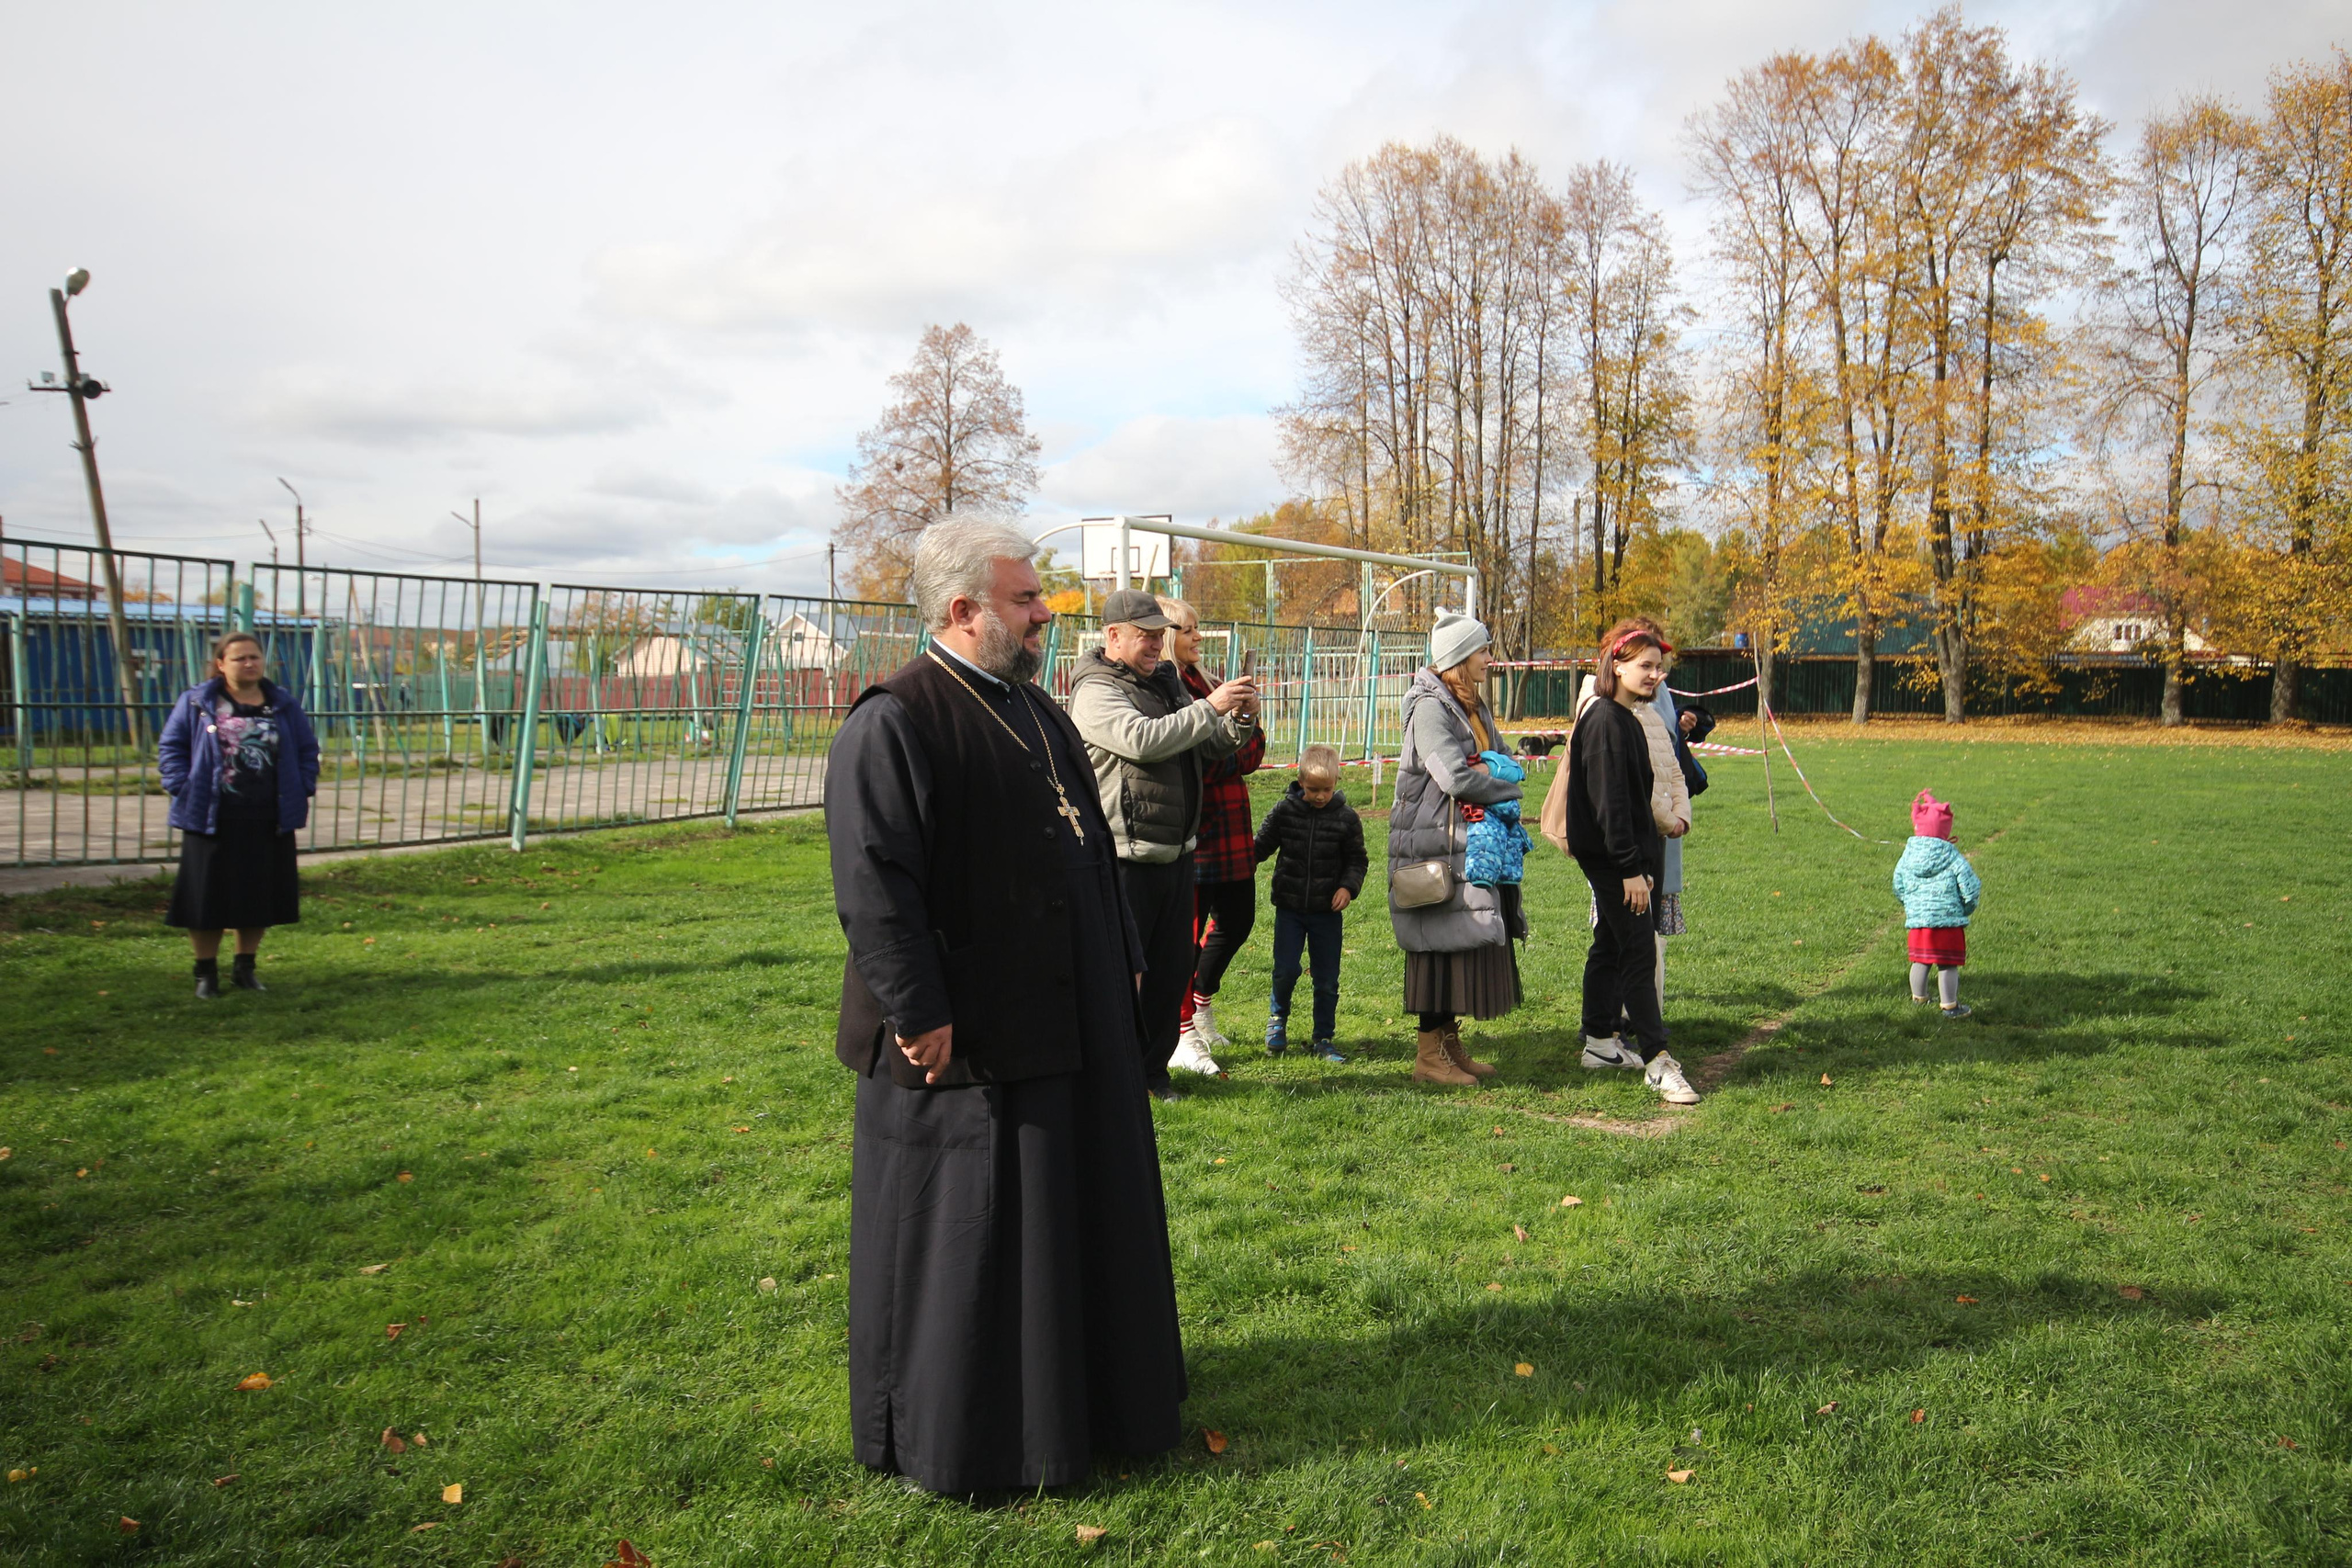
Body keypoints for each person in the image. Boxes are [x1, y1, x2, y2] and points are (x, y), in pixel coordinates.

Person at [822, 518, 1187, 1494]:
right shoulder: (895, 720)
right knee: (977, 1238)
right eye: (1026, 601)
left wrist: (1122, 960)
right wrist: (916, 1009)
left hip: (1073, 1019)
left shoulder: (1036, 710)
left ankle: (1082, 1404)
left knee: (1070, 1221)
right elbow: (874, 883)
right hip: (969, 1035)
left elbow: (1084, 848)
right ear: (962, 610)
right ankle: (975, 1433)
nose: (1043, 615)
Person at [1070, 589, 1257, 1098]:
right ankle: (1111, 1080)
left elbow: (1206, 745)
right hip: (1124, 857)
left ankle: (1152, 1075)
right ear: (1112, 635)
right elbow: (1143, 740)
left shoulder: (1169, 681)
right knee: (1119, 979)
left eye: (1160, 635)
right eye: (1145, 635)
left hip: (1178, 853)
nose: (1157, 644)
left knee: (1170, 972)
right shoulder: (1095, 689)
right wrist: (1210, 707)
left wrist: (1237, 718)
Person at [1562, 621, 1699, 1106]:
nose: (1654, 675)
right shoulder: (1603, 719)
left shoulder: (1630, 716)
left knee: (1612, 944)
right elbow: (1611, 806)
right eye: (1644, 666)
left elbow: (1637, 800)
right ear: (1616, 666)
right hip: (1618, 861)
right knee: (1640, 951)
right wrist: (1628, 869)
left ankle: (1600, 1043)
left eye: (1659, 668)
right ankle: (1659, 1060)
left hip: (1632, 857)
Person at [1387, 609, 1521, 1088]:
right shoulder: (1428, 707)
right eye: (1483, 650)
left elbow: (1502, 760)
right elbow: (1454, 776)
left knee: (1453, 941)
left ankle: (1448, 1045)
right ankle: (1428, 1056)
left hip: (1462, 842)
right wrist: (1499, 781)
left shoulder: (1473, 705)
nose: (1490, 658)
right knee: (1434, 946)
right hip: (1432, 844)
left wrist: (1496, 771)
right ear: (1460, 659)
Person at [157, 631, 321, 999]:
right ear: (220, 664)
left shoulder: (282, 704)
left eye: (254, 657)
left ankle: (245, 968)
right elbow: (171, 746)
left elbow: (307, 749)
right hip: (212, 814)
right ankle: (205, 974)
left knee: (258, 895)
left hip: (267, 814)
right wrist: (182, 785)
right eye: (239, 658)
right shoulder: (198, 702)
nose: (249, 663)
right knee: (206, 898)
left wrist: (304, 783)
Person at [1161, 596, 1267, 1070]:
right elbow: (1203, 759)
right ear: (1166, 636)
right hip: (1195, 830)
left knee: (1238, 918)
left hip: (1230, 828)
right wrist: (1230, 745)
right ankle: (1182, 1032)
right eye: (1188, 630)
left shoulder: (1207, 683)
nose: (1198, 637)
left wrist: (1244, 722)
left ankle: (1201, 1002)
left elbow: (1251, 751)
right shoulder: (1167, 689)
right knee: (1183, 935)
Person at [1250, 743, 1366, 1063]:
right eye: (1313, 789)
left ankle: (1324, 1038)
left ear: (1336, 782)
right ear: (1300, 780)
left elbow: (1358, 860)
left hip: (1326, 913)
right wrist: (1238, 862)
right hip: (1290, 909)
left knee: (1327, 979)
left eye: (1326, 789)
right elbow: (1260, 847)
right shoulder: (1284, 812)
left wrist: (1347, 887)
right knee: (1286, 969)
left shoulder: (1346, 818)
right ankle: (1277, 1020)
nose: (1319, 796)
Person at [1894, 789, 1981, 1019]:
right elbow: (1970, 888)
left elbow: (1898, 884)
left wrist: (1911, 905)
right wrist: (1966, 908)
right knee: (1947, 964)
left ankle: (1919, 997)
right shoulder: (1952, 857)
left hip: (1919, 922)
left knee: (1920, 960)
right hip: (1948, 922)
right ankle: (1949, 1005)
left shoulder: (1907, 855)